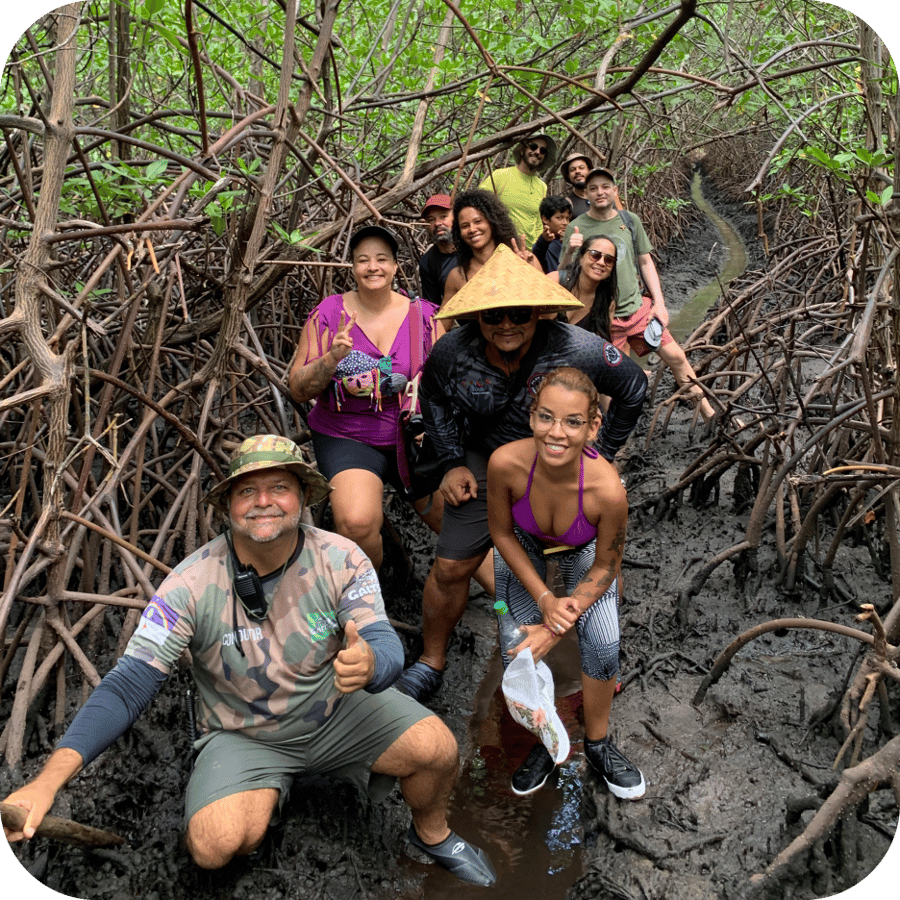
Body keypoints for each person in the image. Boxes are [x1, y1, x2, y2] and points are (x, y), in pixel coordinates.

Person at [2, 436, 496, 886]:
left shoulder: (342, 557)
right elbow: (128, 684)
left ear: (303, 498)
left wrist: (373, 666)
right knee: (213, 847)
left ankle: (431, 834)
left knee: (437, 747)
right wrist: (47, 782)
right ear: (228, 507)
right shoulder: (190, 584)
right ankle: (273, 790)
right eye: (246, 491)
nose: (263, 502)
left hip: (338, 712)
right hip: (244, 735)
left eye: (279, 487)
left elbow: (382, 640)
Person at [391, 245, 647, 702]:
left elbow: (633, 386)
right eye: (494, 317)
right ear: (479, 318)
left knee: (597, 566)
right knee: (451, 566)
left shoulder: (575, 347)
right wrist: (450, 461)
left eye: (519, 315)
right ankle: (432, 659)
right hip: (487, 462)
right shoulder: (453, 350)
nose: (506, 325)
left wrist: (601, 455)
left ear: (537, 313)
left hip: (561, 461)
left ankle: (599, 658)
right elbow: (431, 396)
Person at [487, 368, 645, 800]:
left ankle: (596, 743)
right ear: (531, 416)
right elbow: (500, 534)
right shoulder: (505, 463)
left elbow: (607, 566)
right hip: (522, 544)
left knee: (603, 637)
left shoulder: (608, 490)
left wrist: (560, 620)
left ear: (593, 426)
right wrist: (542, 599)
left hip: (583, 553)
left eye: (573, 422)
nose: (556, 433)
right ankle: (549, 742)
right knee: (513, 641)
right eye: (546, 417)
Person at [288, 225, 444, 573]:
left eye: (381, 259)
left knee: (460, 531)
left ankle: (513, 608)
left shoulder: (427, 317)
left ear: (394, 265)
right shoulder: (329, 315)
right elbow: (298, 389)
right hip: (349, 435)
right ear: (353, 267)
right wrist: (330, 359)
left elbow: (447, 386)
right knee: (357, 524)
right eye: (363, 260)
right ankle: (373, 599)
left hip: (413, 437)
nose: (373, 267)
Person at [561, 168, 716, 421]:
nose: (600, 192)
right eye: (593, 188)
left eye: (605, 186)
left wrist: (660, 304)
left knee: (677, 357)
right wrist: (569, 251)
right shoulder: (577, 227)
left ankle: (709, 413)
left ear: (614, 190)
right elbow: (564, 274)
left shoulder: (629, 220)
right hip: (603, 319)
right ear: (586, 194)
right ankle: (614, 437)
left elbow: (645, 262)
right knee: (612, 384)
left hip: (637, 310)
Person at [443, 189, 542, 304]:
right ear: (459, 233)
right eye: (465, 226)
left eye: (478, 221)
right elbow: (443, 321)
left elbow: (550, 315)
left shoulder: (526, 261)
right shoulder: (457, 276)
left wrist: (528, 275)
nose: (472, 229)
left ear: (492, 222)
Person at [479, 133, 557, 245]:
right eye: (533, 146)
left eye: (543, 150)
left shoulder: (542, 187)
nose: (537, 152)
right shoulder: (500, 176)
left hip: (529, 253)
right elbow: (476, 203)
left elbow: (537, 221)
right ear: (522, 150)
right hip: (502, 249)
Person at [551, 234, 618, 340]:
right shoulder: (556, 281)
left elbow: (600, 345)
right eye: (595, 255)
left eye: (609, 260)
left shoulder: (607, 302)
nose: (601, 262)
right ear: (581, 258)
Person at [417, 194, 458, 306]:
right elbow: (432, 307)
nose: (437, 223)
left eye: (443, 216)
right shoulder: (428, 263)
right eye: (431, 219)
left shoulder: (473, 246)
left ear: (457, 217)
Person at [531, 195, 572, 274]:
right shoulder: (543, 246)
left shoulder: (569, 241)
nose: (565, 223)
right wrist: (543, 240)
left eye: (567, 218)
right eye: (559, 218)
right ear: (545, 219)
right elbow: (539, 257)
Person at [560, 152, 592, 218]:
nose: (577, 171)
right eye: (572, 170)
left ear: (589, 171)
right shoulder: (566, 204)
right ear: (568, 176)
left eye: (581, 168)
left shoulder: (602, 196)